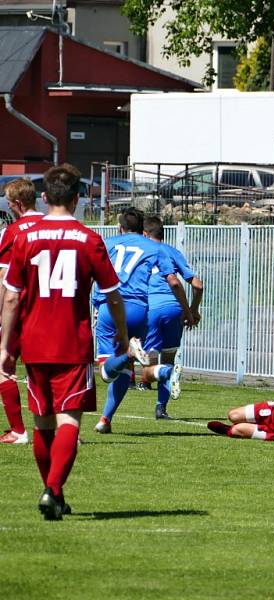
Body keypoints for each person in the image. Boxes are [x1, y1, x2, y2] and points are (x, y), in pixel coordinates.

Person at [0, 164, 128, 520]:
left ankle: (54, 494)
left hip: (35, 342)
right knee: (68, 421)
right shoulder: (89, 239)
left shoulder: (24, 237)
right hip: (73, 342)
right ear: (77, 198)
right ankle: (53, 490)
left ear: (44, 198)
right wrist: (122, 332)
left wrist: (6, 345)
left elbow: (11, 297)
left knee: (42, 421)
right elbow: (113, 295)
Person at [93, 208, 193, 434]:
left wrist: (94, 304)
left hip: (112, 305)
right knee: (127, 372)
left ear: (120, 227)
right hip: (140, 310)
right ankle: (105, 420)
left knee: (107, 372)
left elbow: (92, 275)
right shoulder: (155, 247)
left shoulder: (107, 243)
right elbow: (174, 281)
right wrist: (186, 310)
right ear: (143, 229)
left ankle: (129, 354)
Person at [140, 216, 203, 419]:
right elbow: (198, 285)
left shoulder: (141, 251)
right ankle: (161, 408)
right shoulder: (173, 252)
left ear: (144, 234)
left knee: (148, 367)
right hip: (174, 309)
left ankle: (157, 377)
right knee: (168, 357)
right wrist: (191, 311)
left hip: (150, 308)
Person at [0, 178, 44, 445]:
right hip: (54, 309)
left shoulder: (14, 232)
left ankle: (18, 430)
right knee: (51, 371)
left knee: (3, 366)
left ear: (16, 203)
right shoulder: (54, 225)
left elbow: (5, 278)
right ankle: (66, 430)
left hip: (23, 309)